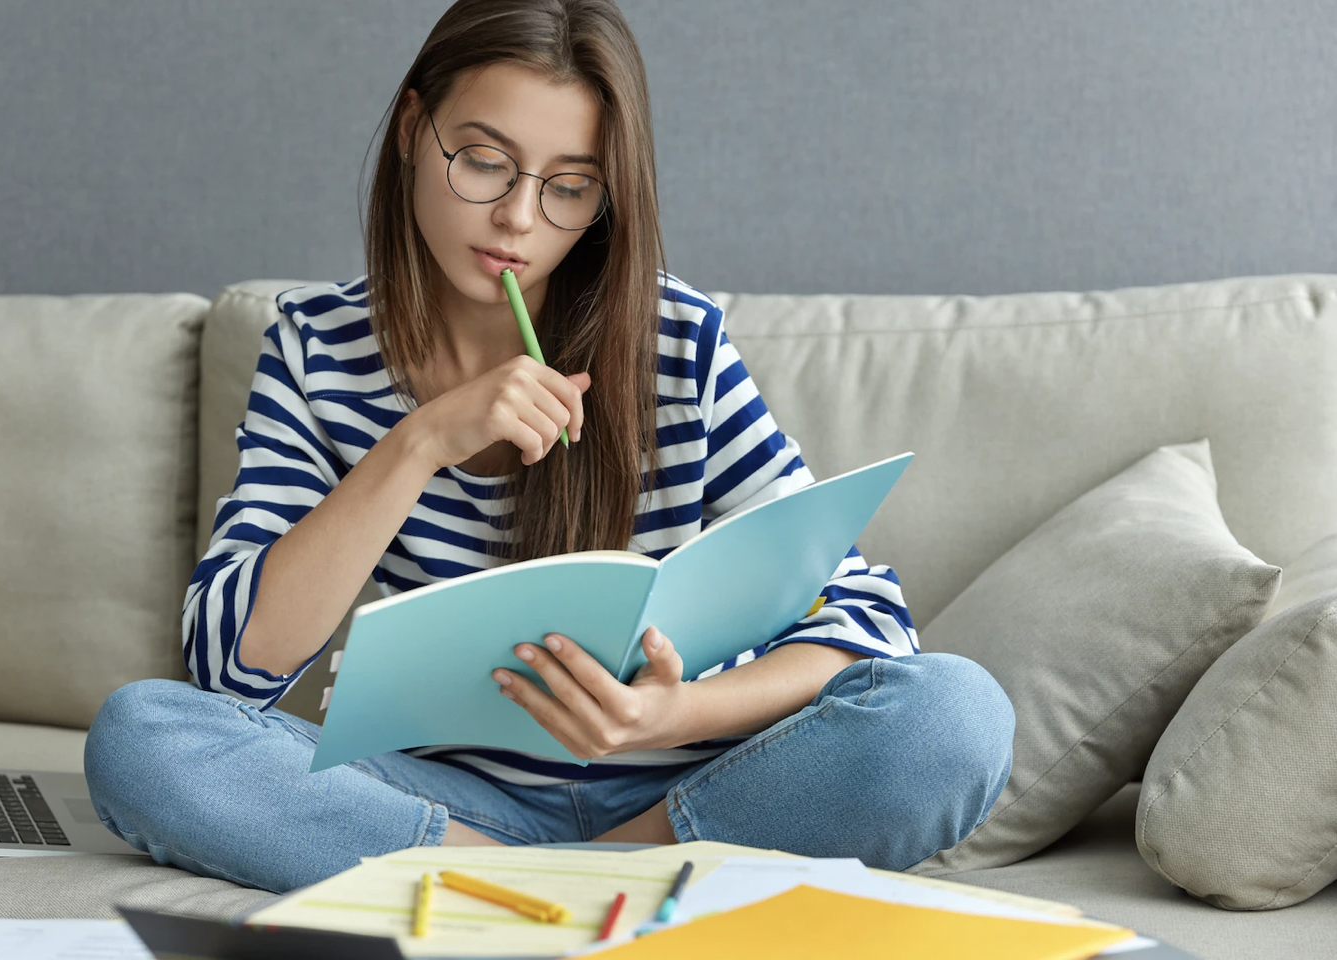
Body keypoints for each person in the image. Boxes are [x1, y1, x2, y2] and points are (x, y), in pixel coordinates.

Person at [84, 0, 1014, 895]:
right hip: (444, 804)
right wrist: (420, 443)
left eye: (569, 187)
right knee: (142, 737)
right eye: (484, 163)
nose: (519, 221)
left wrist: (668, 715)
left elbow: (863, 623)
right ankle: (533, 881)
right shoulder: (316, 345)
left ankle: (546, 886)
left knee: (954, 719)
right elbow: (228, 669)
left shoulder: (671, 338)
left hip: (684, 793)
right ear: (414, 127)